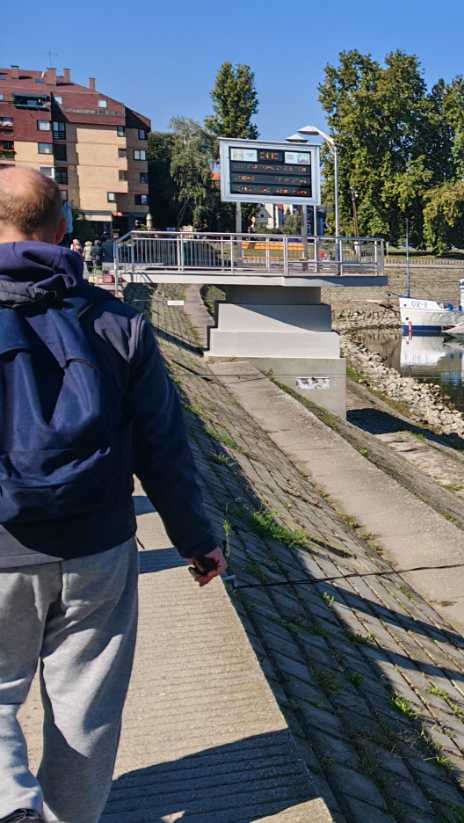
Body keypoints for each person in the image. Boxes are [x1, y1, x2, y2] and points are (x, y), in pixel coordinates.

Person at [0, 166, 223, 823]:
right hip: (98, 546)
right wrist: (197, 539)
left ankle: (12, 803)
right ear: (62, 232)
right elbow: (163, 448)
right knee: (85, 707)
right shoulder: (118, 323)